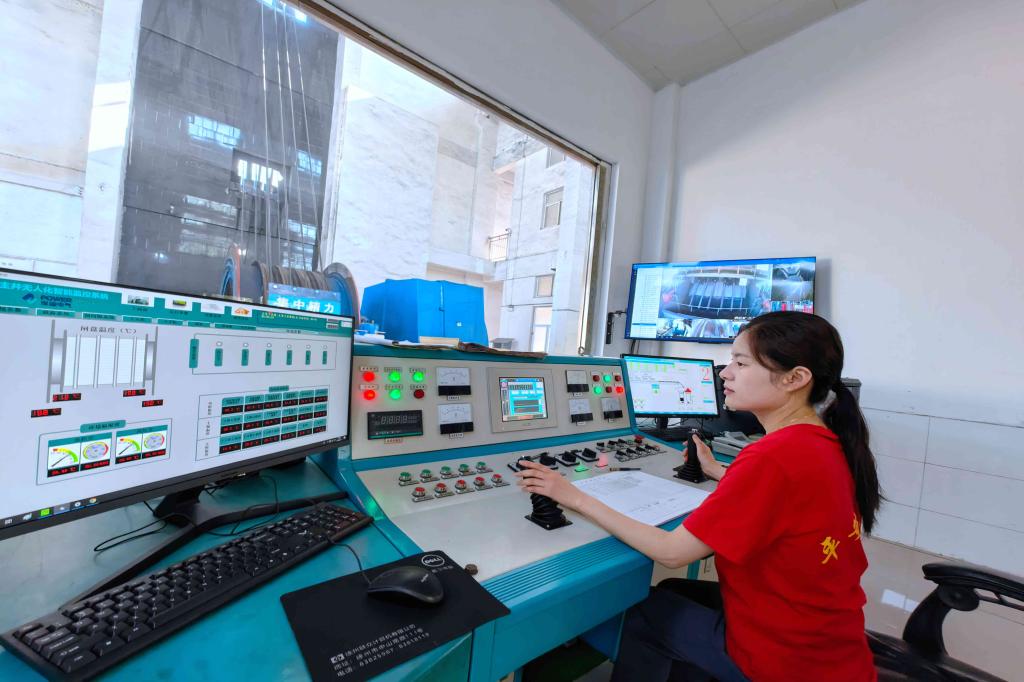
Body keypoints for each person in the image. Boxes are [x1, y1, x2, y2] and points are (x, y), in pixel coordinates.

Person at [516, 312, 880, 681]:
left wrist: (574, 496)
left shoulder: (770, 458)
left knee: (644, 615)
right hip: (831, 647)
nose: (725, 374)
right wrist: (721, 471)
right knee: (672, 590)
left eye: (741, 363)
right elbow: (787, 497)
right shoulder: (823, 442)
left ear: (795, 378)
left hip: (785, 662)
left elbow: (672, 553)